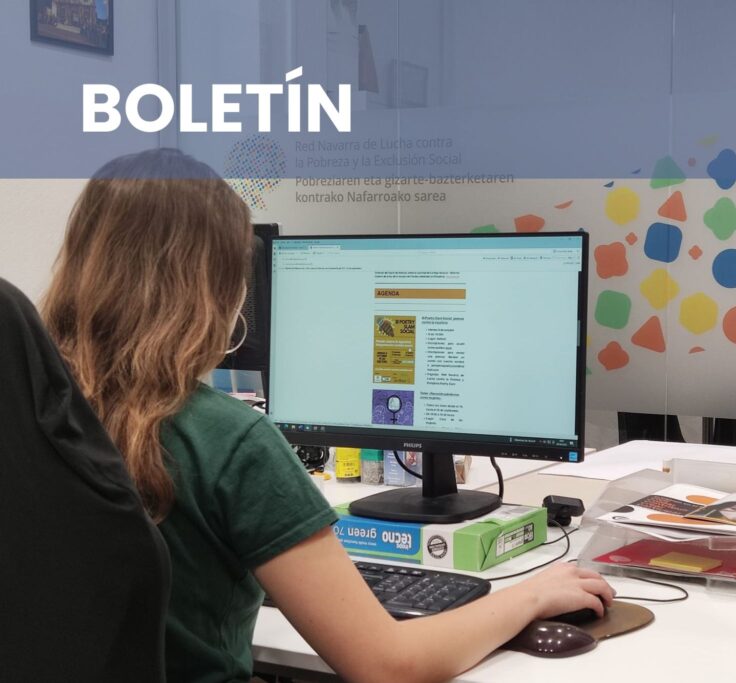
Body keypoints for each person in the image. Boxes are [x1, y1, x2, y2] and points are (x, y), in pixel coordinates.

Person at [42, 148, 614, 683]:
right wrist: (532, 595)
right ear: (217, 288)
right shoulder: (225, 439)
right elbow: (386, 665)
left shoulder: (34, 411)